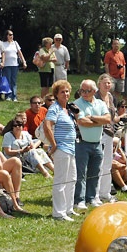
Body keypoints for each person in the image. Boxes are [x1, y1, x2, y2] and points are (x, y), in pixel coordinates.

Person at [42, 80, 77, 220]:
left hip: (71, 149)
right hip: (62, 148)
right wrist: (54, 144)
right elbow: (47, 125)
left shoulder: (67, 109)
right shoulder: (54, 108)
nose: (66, 94)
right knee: (61, 181)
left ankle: (68, 208)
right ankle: (58, 212)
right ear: (56, 94)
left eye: (67, 91)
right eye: (62, 91)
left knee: (72, 179)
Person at [73, 79, 111, 210]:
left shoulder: (100, 103)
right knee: (81, 173)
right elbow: (82, 121)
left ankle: (91, 197)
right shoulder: (76, 104)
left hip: (97, 143)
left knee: (95, 172)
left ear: (94, 91)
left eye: (87, 91)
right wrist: (99, 120)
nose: (83, 93)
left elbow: (108, 119)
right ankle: (79, 199)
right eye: (81, 90)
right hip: (82, 143)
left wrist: (92, 117)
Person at [1, 112, 51, 179]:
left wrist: (30, 147)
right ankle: (44, 172)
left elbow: (32, 145)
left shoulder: (26, 134)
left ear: (22, 127)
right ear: (12, 127)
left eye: (20, 125)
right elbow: (8, 152)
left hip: (25, 157)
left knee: (40, 151)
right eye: (15, 125)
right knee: (31, 152)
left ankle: (53, 169)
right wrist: (22, 150)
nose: (17, 127)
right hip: (14, 158)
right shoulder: (8, 136)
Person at [0, 29, 26, 101]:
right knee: (7, 80)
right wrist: (2, 62)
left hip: (14, 64)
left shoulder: (15, 43)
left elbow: (20, 53)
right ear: (6, 36)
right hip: (6, 65)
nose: (11, 36)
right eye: (10, 35)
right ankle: (8, 96)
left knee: (13, 81)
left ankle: (14, 96)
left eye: (12, 35)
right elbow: (2, 53)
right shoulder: (3, 43)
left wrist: (24, 61)